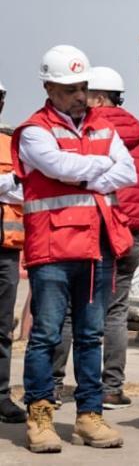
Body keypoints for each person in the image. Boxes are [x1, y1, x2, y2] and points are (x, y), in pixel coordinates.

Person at [13, 45, 135, 452]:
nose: (80, 96)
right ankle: (40, 417)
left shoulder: (103, 125)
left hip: (95, 246)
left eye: (83, 87)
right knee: (46, 336)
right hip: (52, 248)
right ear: (49, 88)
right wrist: (98, 168)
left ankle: (89, 416)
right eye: (69, 89)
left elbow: (128, 171)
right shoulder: (34, 130)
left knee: (90, 336)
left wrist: (82, 173)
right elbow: (58, 167)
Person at [52, 66, 139, 410]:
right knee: (116, 312)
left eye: (84, 93)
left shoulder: (91, 133)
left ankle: (53, 385)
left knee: (69, 310)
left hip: (89, 231)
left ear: (98, 97)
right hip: (130, 234)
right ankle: (112, 387)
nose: (78, 99)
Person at [0, 79, 26, 424]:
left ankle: (1, 396)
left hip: (6, 252)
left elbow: (25, 189)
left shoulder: (11, 145)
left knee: (2, 328)